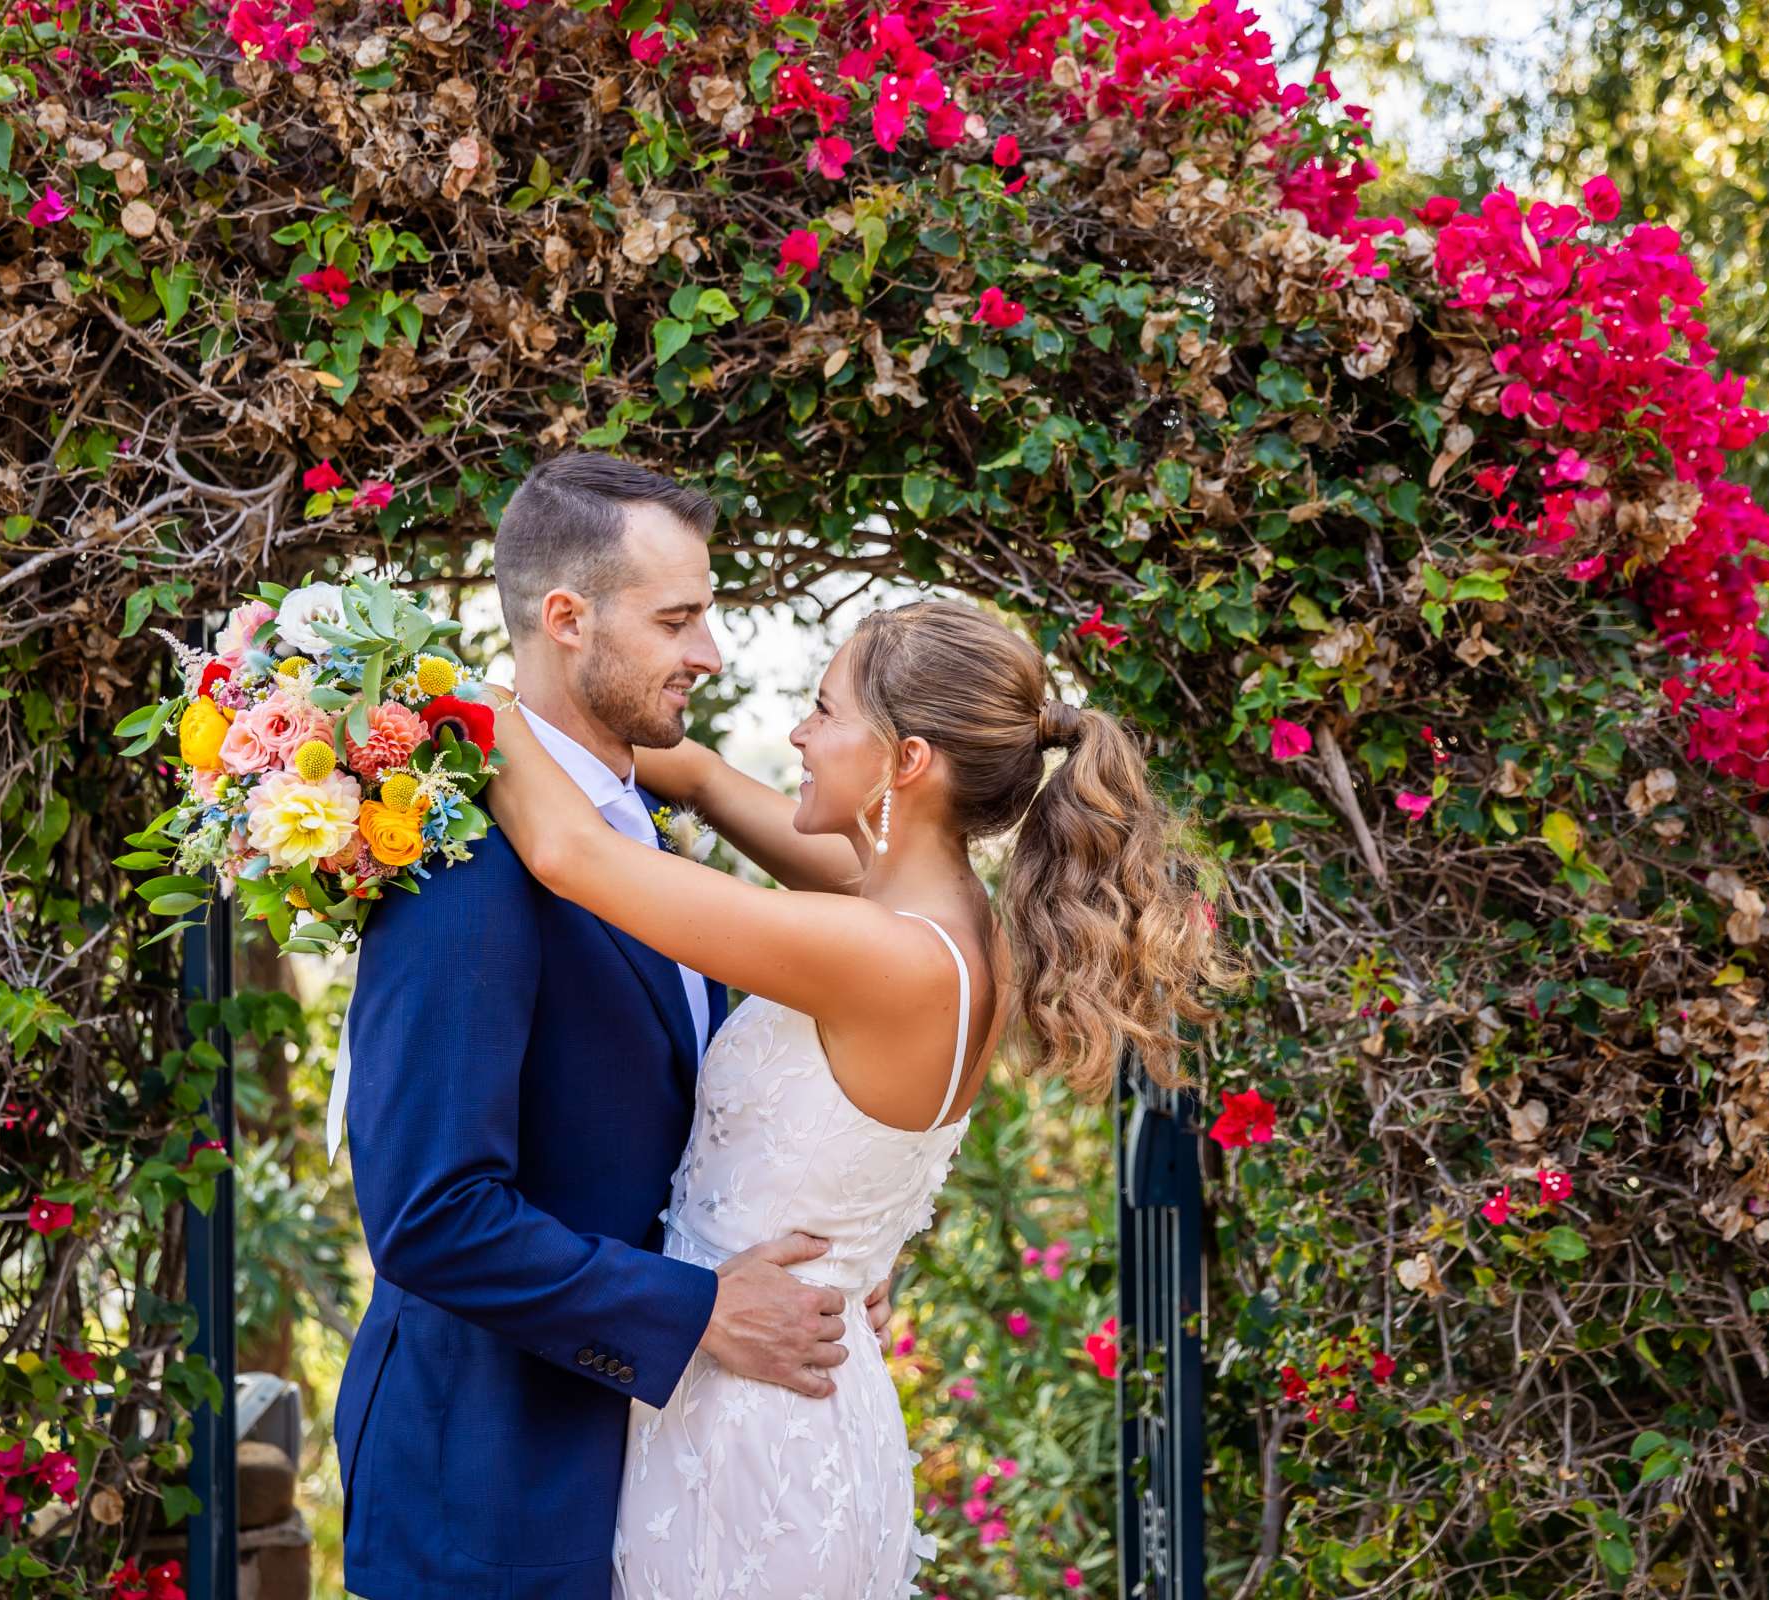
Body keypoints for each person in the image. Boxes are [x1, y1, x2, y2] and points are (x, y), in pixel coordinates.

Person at [483, 597, 1239, 1599]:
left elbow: (571, 855)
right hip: (776, 1391)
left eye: (825, 710)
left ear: (907, 760)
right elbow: (704, 777)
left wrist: (439, 696)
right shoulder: (938, 916)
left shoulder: (882, 953)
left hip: (755, 1432)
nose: (799, 731)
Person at [332, 452, 892, 1600]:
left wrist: (819, 1257)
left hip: (654, 1480)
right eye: (679, 618)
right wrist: (699, 1312)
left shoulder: (639, 833)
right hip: (496, 1487)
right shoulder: (464, 861)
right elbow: (433, 1216)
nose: (710, 653)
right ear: (567, 618)